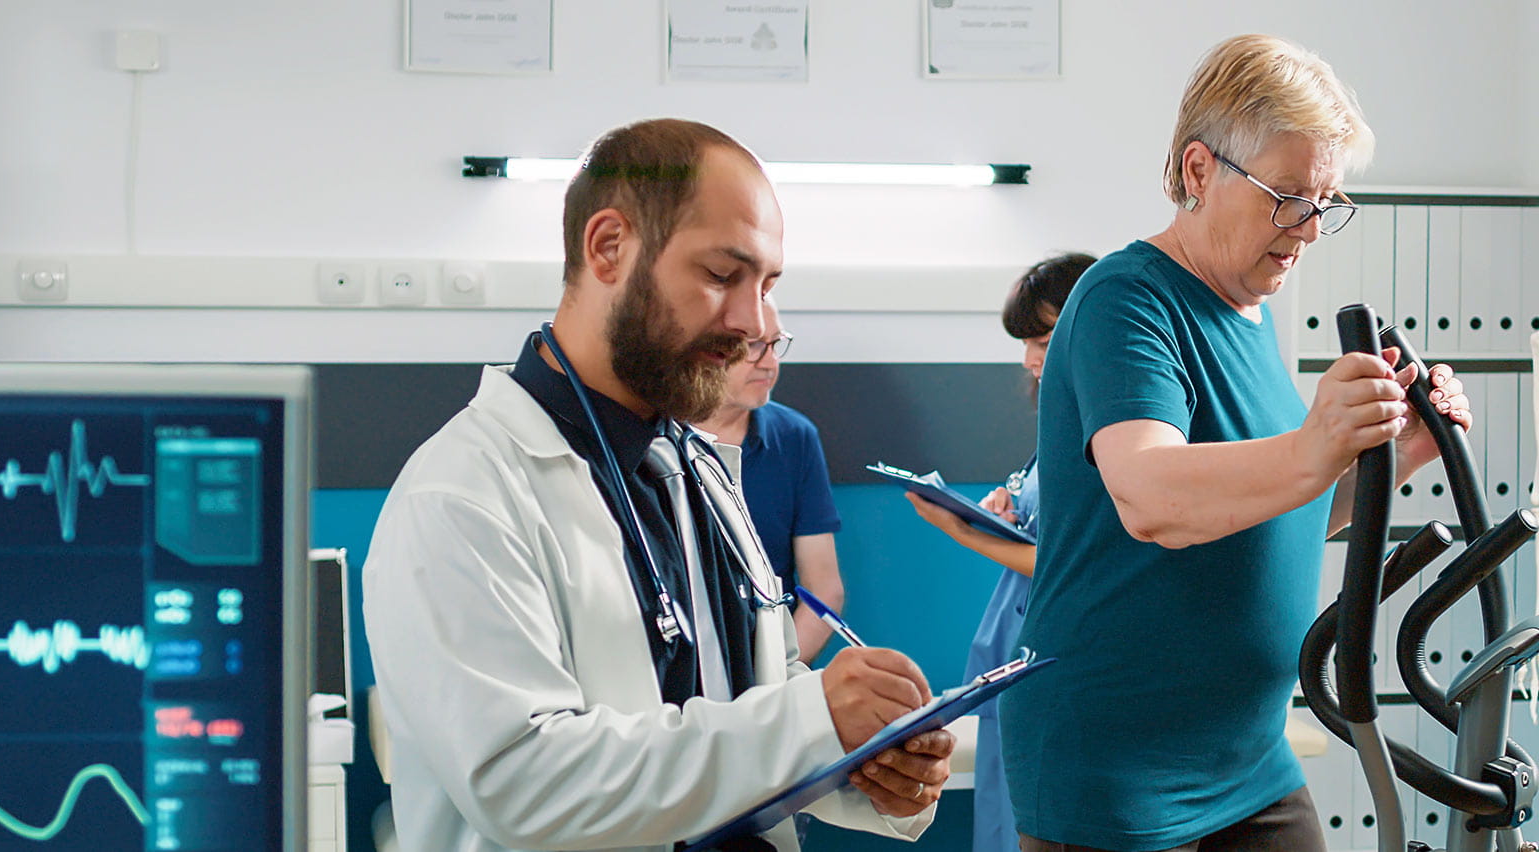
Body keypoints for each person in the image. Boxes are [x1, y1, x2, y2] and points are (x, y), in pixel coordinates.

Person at [361, 118, 954, 852]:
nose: (753, 323)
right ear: (609, 247)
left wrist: (863, 761)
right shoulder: (463, 495)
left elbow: (746, 696)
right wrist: (811, 720)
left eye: (767, 285)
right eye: (720, 276)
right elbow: (525, 786)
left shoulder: (695, 466)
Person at [997, 35, 1473, 852]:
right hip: (1119, 774)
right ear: (1197, 172)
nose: (1311, 229)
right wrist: (1318, 439)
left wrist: (1405, 452)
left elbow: (1279, 509)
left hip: (1248, 760)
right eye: (1289, 197)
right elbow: (1152, 498)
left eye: (1326, 203)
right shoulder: (1127, 299)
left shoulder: (1250, 314)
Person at [906, 251, 1096, 852]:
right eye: (1025, 342)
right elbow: (1053, 532)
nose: (1029, 359)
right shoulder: (1063, 423)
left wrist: (965, 533)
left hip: (1064, 677)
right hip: (1023, 672)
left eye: (1041, 338)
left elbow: (1074, 565)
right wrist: (1007, 512)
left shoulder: (1115, 431)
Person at [695, 297, 846, 664]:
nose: (770, 362)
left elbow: (823, 589)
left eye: (776, 344)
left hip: (769, 658)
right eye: (752, 347)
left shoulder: (794, 436)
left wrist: (774, 679)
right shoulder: (653, 436)